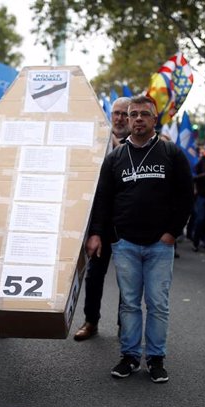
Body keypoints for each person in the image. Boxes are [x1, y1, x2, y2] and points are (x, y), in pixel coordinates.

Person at [86, 95, 193, 383]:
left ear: (154, 118)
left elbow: (186, 197)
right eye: (133, 114)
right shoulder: (115, 158)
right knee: (129, 303)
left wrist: (172, 232)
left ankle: (156, 359)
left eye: (144, 114)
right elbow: (103, 200)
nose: (137, 119)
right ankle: (130, 356)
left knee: (157, 303)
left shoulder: (171, 154)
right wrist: (97, 233)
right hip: (126, 244)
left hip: (160, 244)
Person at [73, 96, 131, 341]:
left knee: (127, 280)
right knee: (94, 275)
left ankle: (125, 325)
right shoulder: (99, 142)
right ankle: (91, 321)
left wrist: (114, 140)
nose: (118, 118)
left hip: (127, 227)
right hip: (101, 223)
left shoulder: (138, 145)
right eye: (115, 113)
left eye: (123, 114)